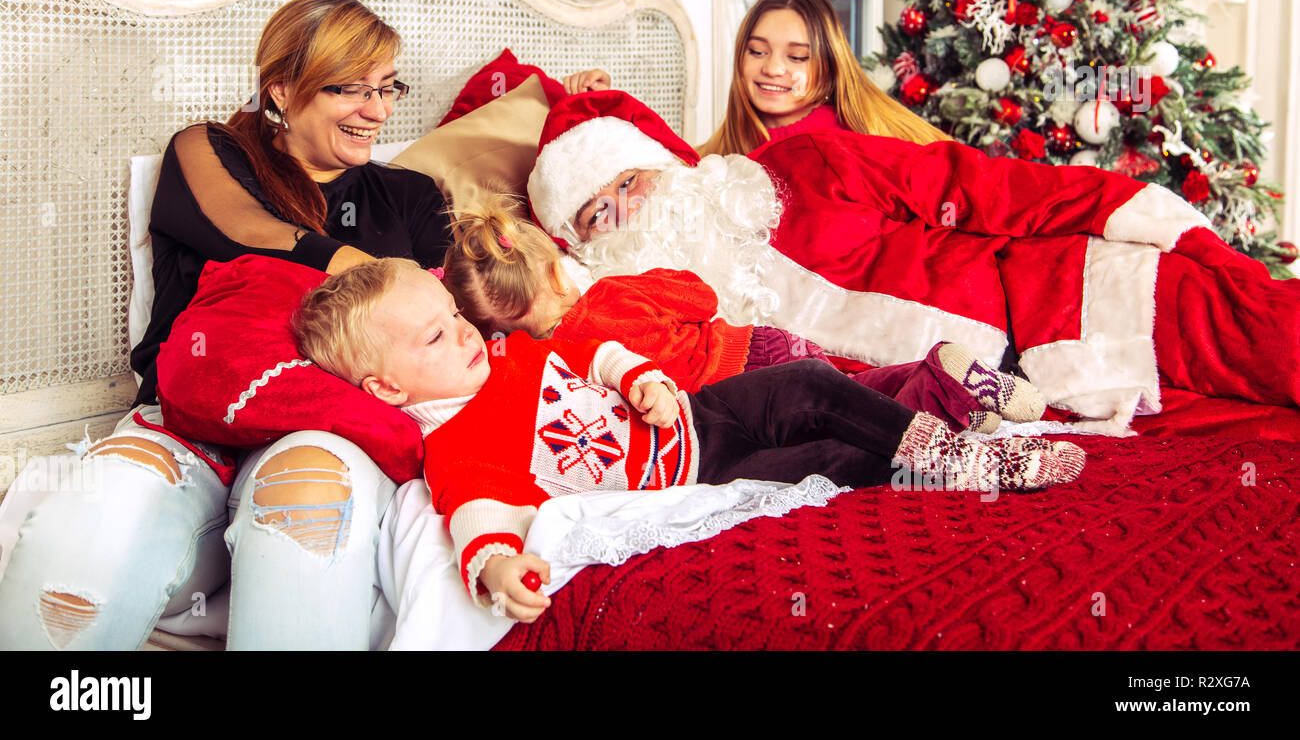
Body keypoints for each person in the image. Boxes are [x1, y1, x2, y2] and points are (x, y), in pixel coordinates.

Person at [0, 0, 450, 650]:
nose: (377, 112)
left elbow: (464, 320)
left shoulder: (411, 196)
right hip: (188, 422)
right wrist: (367, 267)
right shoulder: (207, 152)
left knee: (307, 505)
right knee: (95, 520)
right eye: (350, 90)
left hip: (334, 428)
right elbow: (247, 231)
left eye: (388, 89)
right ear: (282, 90)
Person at [291, 259, 1087, 623]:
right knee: (836, 464)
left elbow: (592, 354)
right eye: (436, 337)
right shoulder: (457, 447)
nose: (466, 334)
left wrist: (640, 379)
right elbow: (473, 522)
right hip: (704, 476)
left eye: (458, 317)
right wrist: (501, 569)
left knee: (811, 387)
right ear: (389, 389)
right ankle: (949, 452)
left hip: (703, 417)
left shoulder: (512, 353)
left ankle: (967, 453)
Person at [525, 90, 1300, 431]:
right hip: (1059, 400)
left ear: (668, 164)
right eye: (600, 212)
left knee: (1274, 343)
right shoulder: (671, 330)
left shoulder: (801, 164)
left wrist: (1120, 207)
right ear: (583, 245)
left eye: (631, 181)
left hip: (1081, 289)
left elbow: (975, 183)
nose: (630, 210)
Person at [441, 194, 1047, 434]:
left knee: (841, 406)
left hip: (733, 393)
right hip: (754, 350)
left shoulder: (548, 362)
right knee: (849, 381)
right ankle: (950, 382)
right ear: (555, 269)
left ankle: (948, 398)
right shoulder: (615, 294)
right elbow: (701, 298)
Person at [563, 0, 946, 155]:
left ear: (829, 71)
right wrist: (601, 108)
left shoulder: (845, 142)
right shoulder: (738, 144)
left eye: (797, 57)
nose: (773, 68)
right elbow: (673, 171)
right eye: (757, 51)